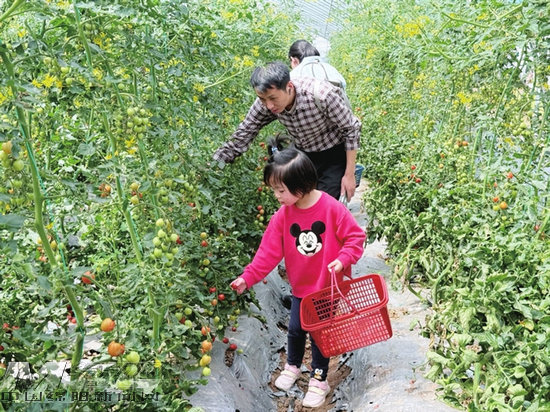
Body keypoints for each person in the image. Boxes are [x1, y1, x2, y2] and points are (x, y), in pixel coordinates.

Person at [230, 136, 365, 408]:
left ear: (300, 186)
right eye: (275, 190)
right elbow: (267, 253)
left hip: (326, 288)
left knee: (319, 335)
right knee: (294, 330)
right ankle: (292, 366)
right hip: (302, 287)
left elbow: (355, 238)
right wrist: (247, 277)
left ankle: (319, 379)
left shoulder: (331, 209)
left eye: (280, 190)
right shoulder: (283, 216)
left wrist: (342, 260)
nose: (277, 196)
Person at [213, 61, 361, 202]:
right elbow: (245, 132)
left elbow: (351, 128)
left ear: (289, 86)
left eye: (273, 98)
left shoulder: (321, 95)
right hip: (303, 155)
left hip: (333, 154)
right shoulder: (265, 102)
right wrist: (214, 165)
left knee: (326, 204)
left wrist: (349, 175)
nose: (269, 105)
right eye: (262, 99)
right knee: (298, 201)